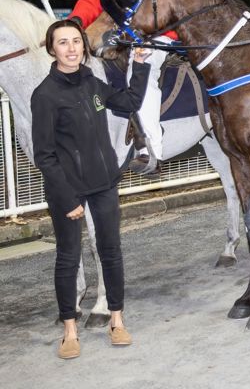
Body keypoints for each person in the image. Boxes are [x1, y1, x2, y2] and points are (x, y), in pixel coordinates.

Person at [31, 19, 151, 359]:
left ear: (83, 46)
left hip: (104, 182)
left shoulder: (92, 83)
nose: (71, 48)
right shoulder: (45, 95)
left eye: (76, 41)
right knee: (68, 258)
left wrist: (139, 65)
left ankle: (117, 320)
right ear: (52, 49)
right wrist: (68, 198)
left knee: (111, 251)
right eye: (63, 42)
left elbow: (129, 102)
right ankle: (70, 330)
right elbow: (44, 155)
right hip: (67, 190)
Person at [69, 0, 174, 176]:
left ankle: (150, 150)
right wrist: (75, 21)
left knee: (140, 70)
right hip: (117, 31)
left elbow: (167, 5)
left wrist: (136, 34)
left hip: (155, 33)